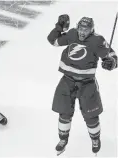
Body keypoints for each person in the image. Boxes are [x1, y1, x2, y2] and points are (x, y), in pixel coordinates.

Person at [47, 15, 117, 155]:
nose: (82, 32)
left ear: (92, 30)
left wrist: (111, 63)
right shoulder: (72, 33)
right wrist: (58, 28)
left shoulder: (98, 40)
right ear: (77, 27)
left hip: (87, 83)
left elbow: (113, 56)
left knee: (91, 115)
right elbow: (53, 41)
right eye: (81, 28)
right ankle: (63, 139)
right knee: (64, 112)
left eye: (86, 29)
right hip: (67, 80)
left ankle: (95, 139)